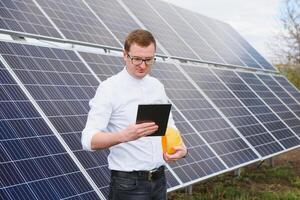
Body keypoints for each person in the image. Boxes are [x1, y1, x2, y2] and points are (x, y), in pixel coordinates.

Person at [82, 29, 187, 200]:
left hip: (160, 181)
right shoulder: (109, 89)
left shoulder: (157, 86)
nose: (143, 65)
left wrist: (181, 149)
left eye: (149, 60)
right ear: (125, 55)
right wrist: (123, 136)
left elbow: (169, 126)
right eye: (137, 59)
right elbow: (88, 140)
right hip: (128, 186)